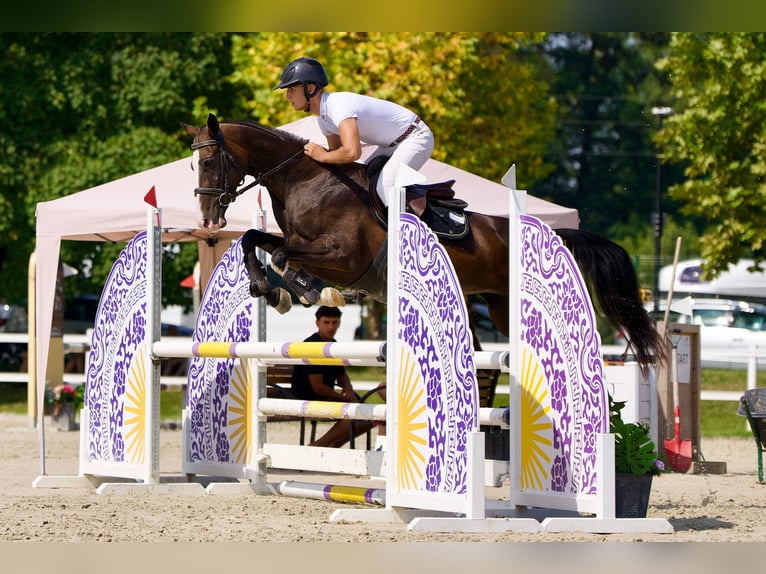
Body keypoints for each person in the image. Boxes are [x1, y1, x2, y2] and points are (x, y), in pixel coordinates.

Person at [275, 56, 435, 206]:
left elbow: (352, 153)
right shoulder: (323, 119)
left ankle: (401, 235)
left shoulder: (338, 105)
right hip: (391, 145)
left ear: (309, 88)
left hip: (416, 137)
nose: (288, 95)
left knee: (386, 186)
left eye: (291, 89)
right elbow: (337, 156)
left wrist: (322, 155)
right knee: (362, 182)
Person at [291, 305, 373, 448]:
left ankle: (333, 445)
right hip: (307, 397)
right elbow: (317, 387)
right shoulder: (311, 345)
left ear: (339, 323)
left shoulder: (333, 345)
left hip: (324, 397)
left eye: (334, 322)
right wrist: (343, 398)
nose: (331, 327)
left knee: (370, 417)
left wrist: (348, 387)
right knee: (353, 411)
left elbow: (341, 374)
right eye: (326, 322)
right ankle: (319, 444)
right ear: (317, 323)